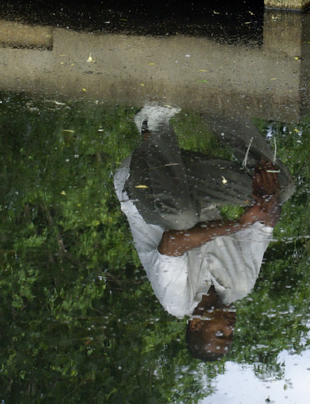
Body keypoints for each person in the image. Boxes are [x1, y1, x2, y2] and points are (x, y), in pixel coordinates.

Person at [113, 104, 294, 360]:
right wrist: (268, 205)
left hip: (141, 180)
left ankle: (152, 125)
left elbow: (174, 242)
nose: (230, 328)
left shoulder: (177, 302)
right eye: (231, 335)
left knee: (181, 219)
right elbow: (264, 226)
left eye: (220, 334)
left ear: (196, 324)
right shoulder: (242, 285)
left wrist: (241, 224)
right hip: (188, 179)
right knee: (280, 188)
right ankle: (220, 107)